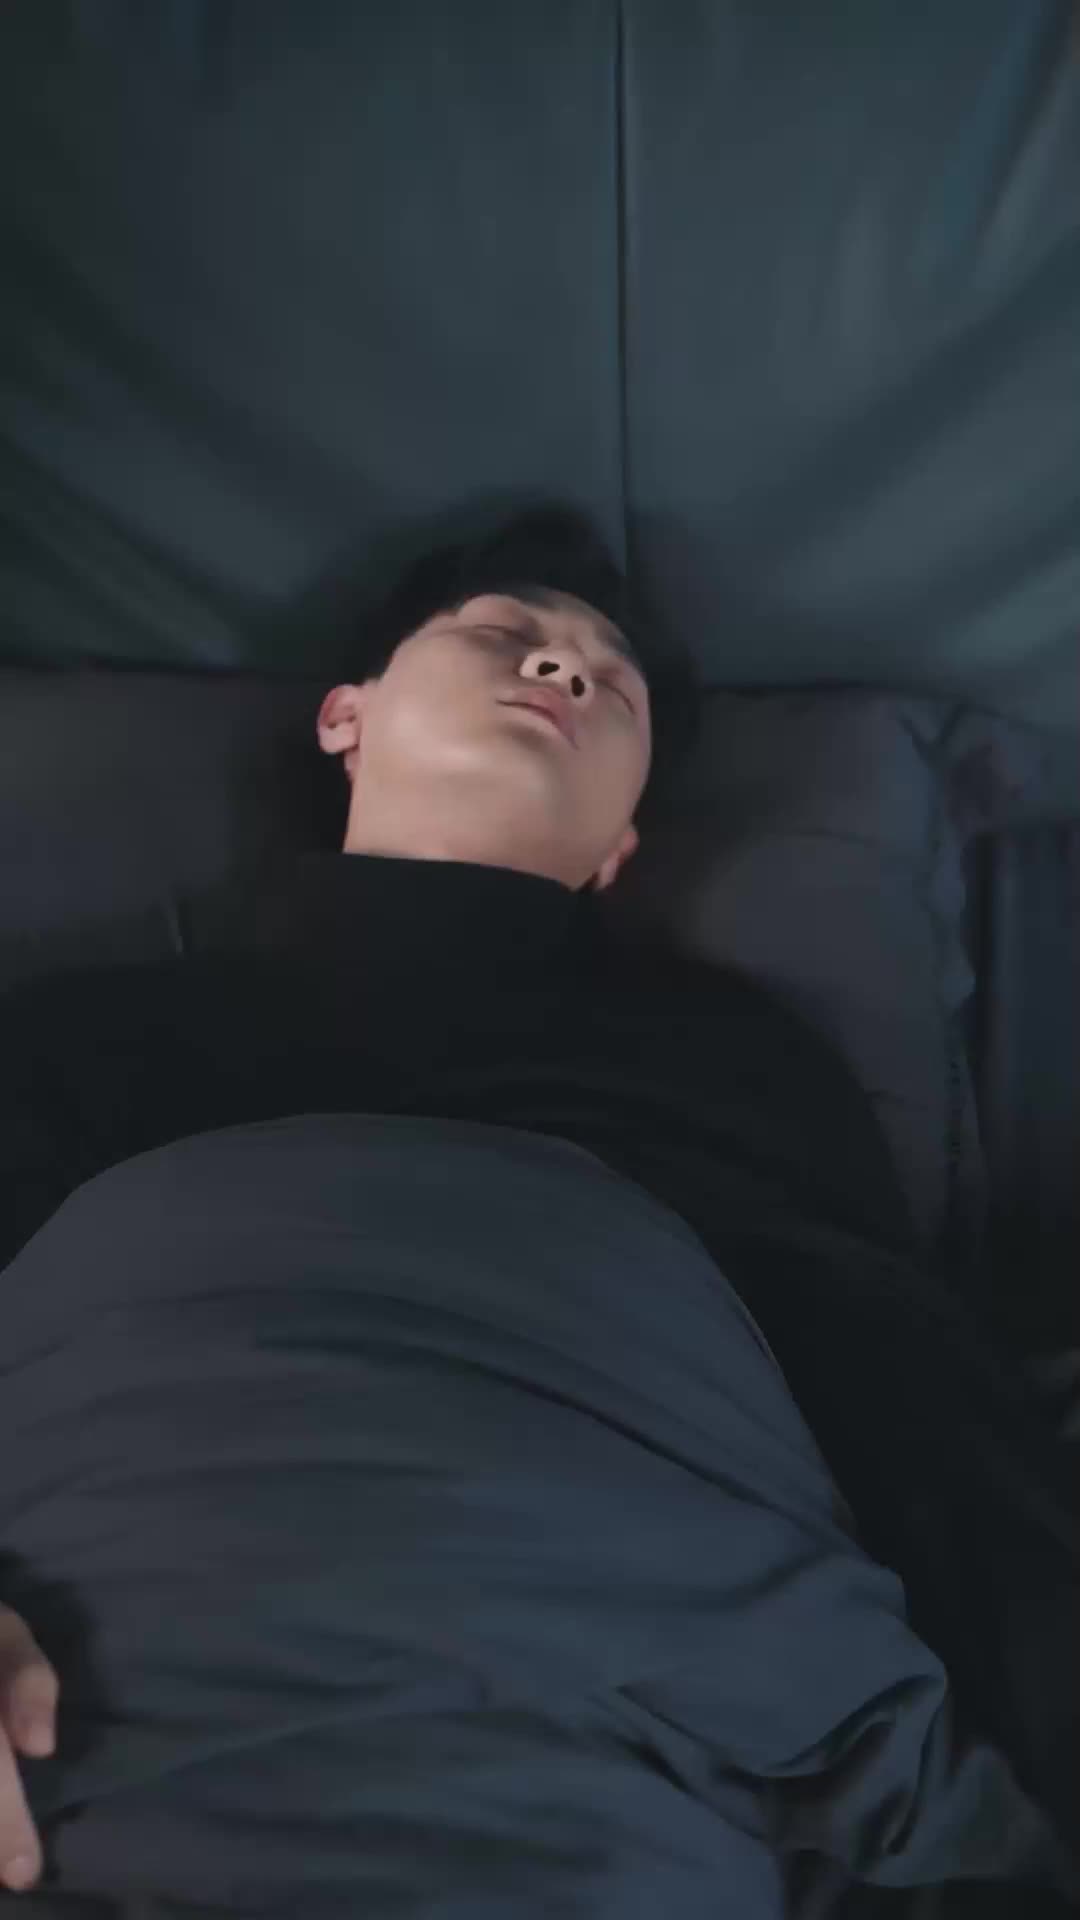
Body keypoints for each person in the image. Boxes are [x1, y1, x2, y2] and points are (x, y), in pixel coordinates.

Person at [0, 508, 1076, 1916]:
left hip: (613, 1647)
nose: (563, 669)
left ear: (623, 842)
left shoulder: (730, 1062)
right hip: (120, 1639)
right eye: (503, 634)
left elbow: (909, 1404)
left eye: (612, 684)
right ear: (345, 716)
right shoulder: (78, 1037)